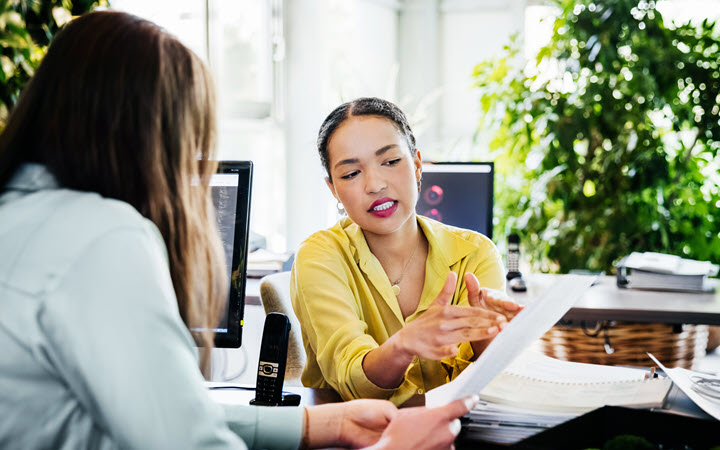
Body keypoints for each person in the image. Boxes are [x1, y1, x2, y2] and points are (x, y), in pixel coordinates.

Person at [0, 12, 476, 450]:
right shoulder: (103, 237)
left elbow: (171, 415)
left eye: (389, 160)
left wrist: (320, 425)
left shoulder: (22, 215)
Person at [291, 97, 523, 406]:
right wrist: (403, 345)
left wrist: (490, 336)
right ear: (333, 188)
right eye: (350, 174)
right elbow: (353, 385)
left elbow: (493, 387)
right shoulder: (320, 256)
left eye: (390, 162)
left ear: (416, 165)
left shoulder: (475, 253)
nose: (374, 185)